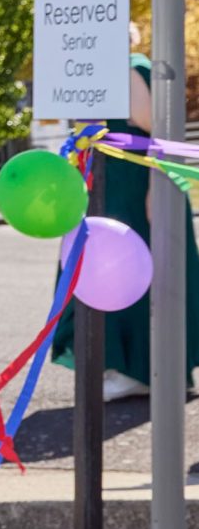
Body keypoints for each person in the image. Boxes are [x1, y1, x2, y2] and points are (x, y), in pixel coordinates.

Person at [51, 49, 199, 401]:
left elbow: (157, 133)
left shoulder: (130, 69)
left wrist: (154, 189)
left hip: (134, 194)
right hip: (118, 192)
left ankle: (139, 371)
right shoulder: (112, 72)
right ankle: (146, 368)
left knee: (133, 275)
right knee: (122, 274)